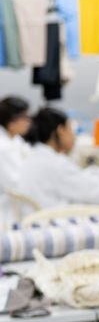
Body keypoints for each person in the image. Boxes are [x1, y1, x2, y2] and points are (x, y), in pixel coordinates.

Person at [18, 107, 99, 209]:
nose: (74, 136)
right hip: (58, 224)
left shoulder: (35, 157)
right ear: (61, 130)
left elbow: (81, 178)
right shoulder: (55, 164)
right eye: (70, 129)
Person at [0, 96, 31, 226]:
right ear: (12, 122)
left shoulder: (15, 139)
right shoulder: (3, 147)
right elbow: (15, 184)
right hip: (6, 212)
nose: (29, 122)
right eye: (25, 117)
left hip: (17, 205)